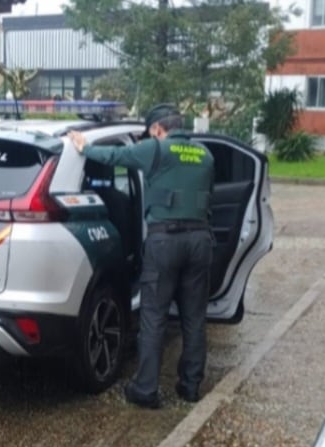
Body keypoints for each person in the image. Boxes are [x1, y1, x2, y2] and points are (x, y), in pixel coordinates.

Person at [68, 103, 215, 409]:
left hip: (165, 242)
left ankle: (146, 389)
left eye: (152, 133)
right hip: (200, 240)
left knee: (153, 316)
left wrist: (83, 145)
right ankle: (190, 386)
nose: (152, 136)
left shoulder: (156, 150)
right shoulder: (206, 155)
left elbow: (114, 156)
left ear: (159, 129)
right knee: (194, 318)